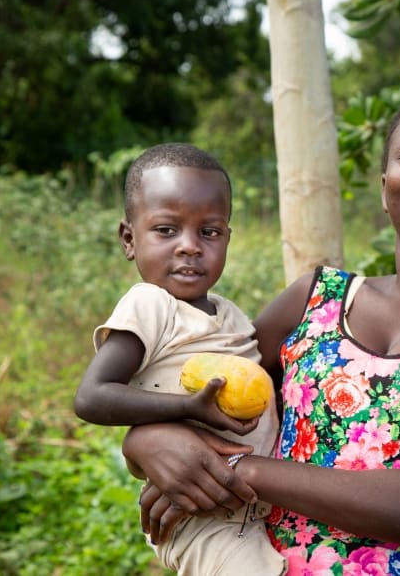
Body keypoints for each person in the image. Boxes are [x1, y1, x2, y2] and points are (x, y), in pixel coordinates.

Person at [122, 85, 400, 575]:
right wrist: (144, 441)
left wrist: (234, 470)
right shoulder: (316, 298)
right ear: (386, 187)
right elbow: (204, 394)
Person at [73, 143, 287, 576]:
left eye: (209, 232)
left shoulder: (231, 314)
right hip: (198, 513)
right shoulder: (149, 306)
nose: (190, 247)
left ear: (228, 238)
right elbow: (92, 397)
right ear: (129, 239)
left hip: (250, 505)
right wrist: (186, 409)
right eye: (167, 230)